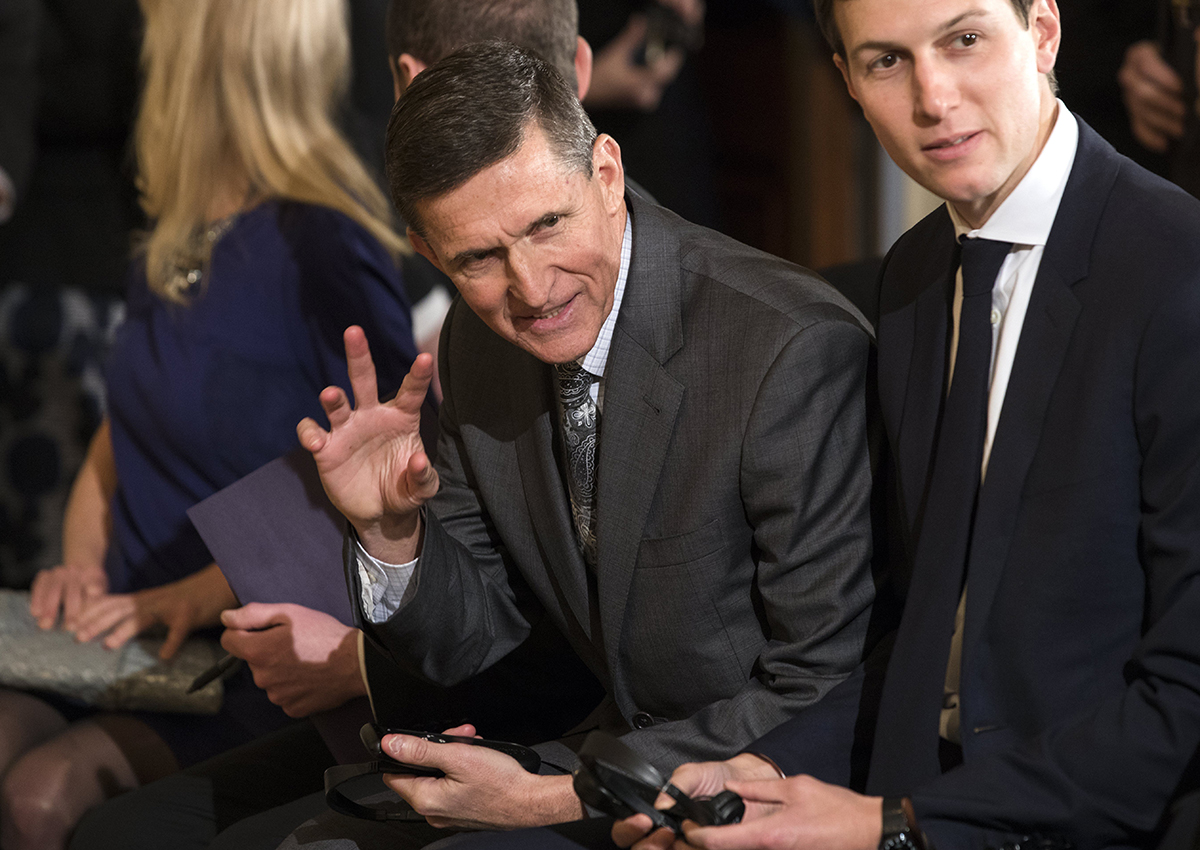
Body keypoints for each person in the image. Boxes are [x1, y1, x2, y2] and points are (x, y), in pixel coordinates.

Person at [594, 0, 1200, 849]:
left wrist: (896, 825)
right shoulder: (914, 276)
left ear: (1043, 32)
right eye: (886, 61)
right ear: (847, 80)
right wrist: (766, 770)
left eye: (964, 41)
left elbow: (1185, 701)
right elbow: (919, 635)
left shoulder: (1177, 271)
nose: (933, 99)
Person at [274, 37, 876, 850]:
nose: (531, 288)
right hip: (592, 752)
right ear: (428, 252)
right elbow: (473, 639)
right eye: (478, 258)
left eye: (547, 225)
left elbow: (822, 686)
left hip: (749, 792)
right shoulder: (477, 341)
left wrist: (550, 800)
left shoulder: (787, 350)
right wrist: (391, 534)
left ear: (608, 173)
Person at [0, 0, 421, 847]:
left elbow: (384, 469)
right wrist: (79, 568)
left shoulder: (323, 242)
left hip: (239, 661)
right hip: (125, 637)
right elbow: (118, 434)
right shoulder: (176, 225)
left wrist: (190, 596)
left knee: (43, 795)